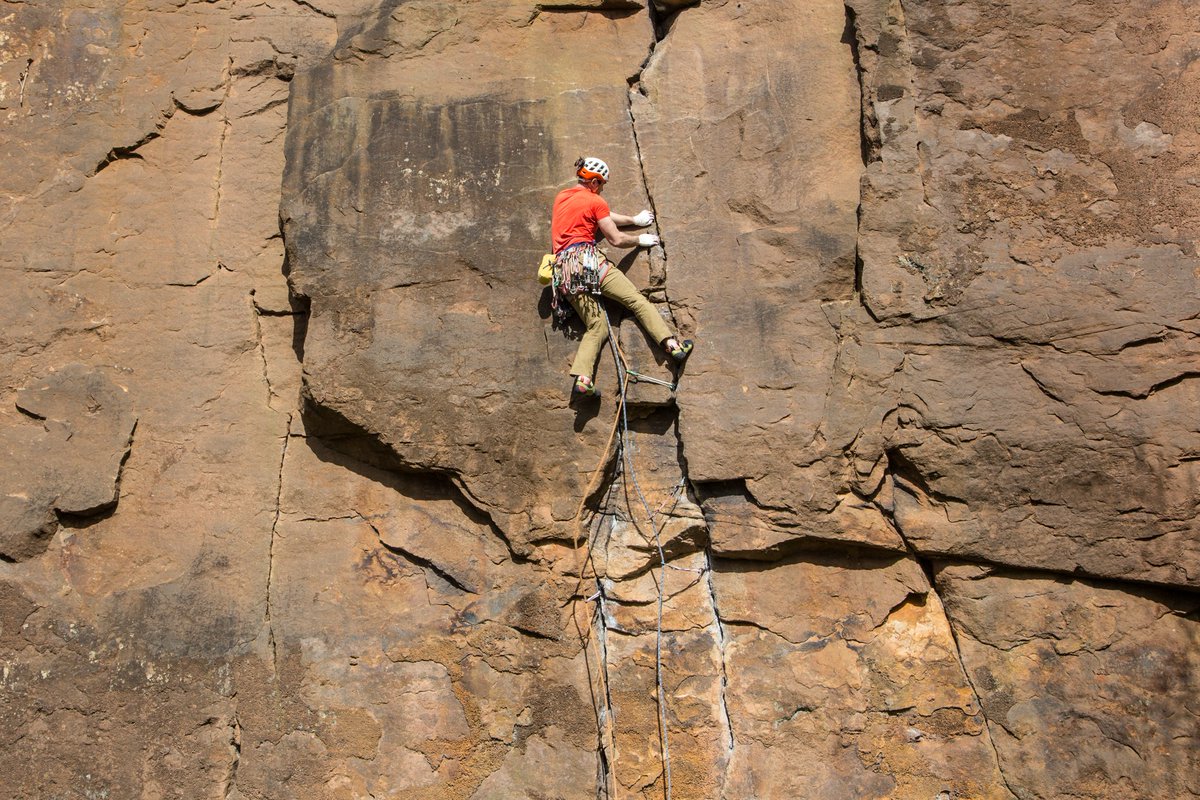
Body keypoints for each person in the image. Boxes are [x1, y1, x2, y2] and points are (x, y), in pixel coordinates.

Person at [550, 156, 693, 400]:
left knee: (596, 326)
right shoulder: (595, 200)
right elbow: (614, 237)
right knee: (636, 301)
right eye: (602, 184)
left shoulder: (562, 197)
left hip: (564, 272)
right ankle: (673, 347)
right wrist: (639, 239)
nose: (602, 188)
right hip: (588, 263)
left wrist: (634, 220)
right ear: (594, 182)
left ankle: (583, 380)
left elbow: (602, 214)